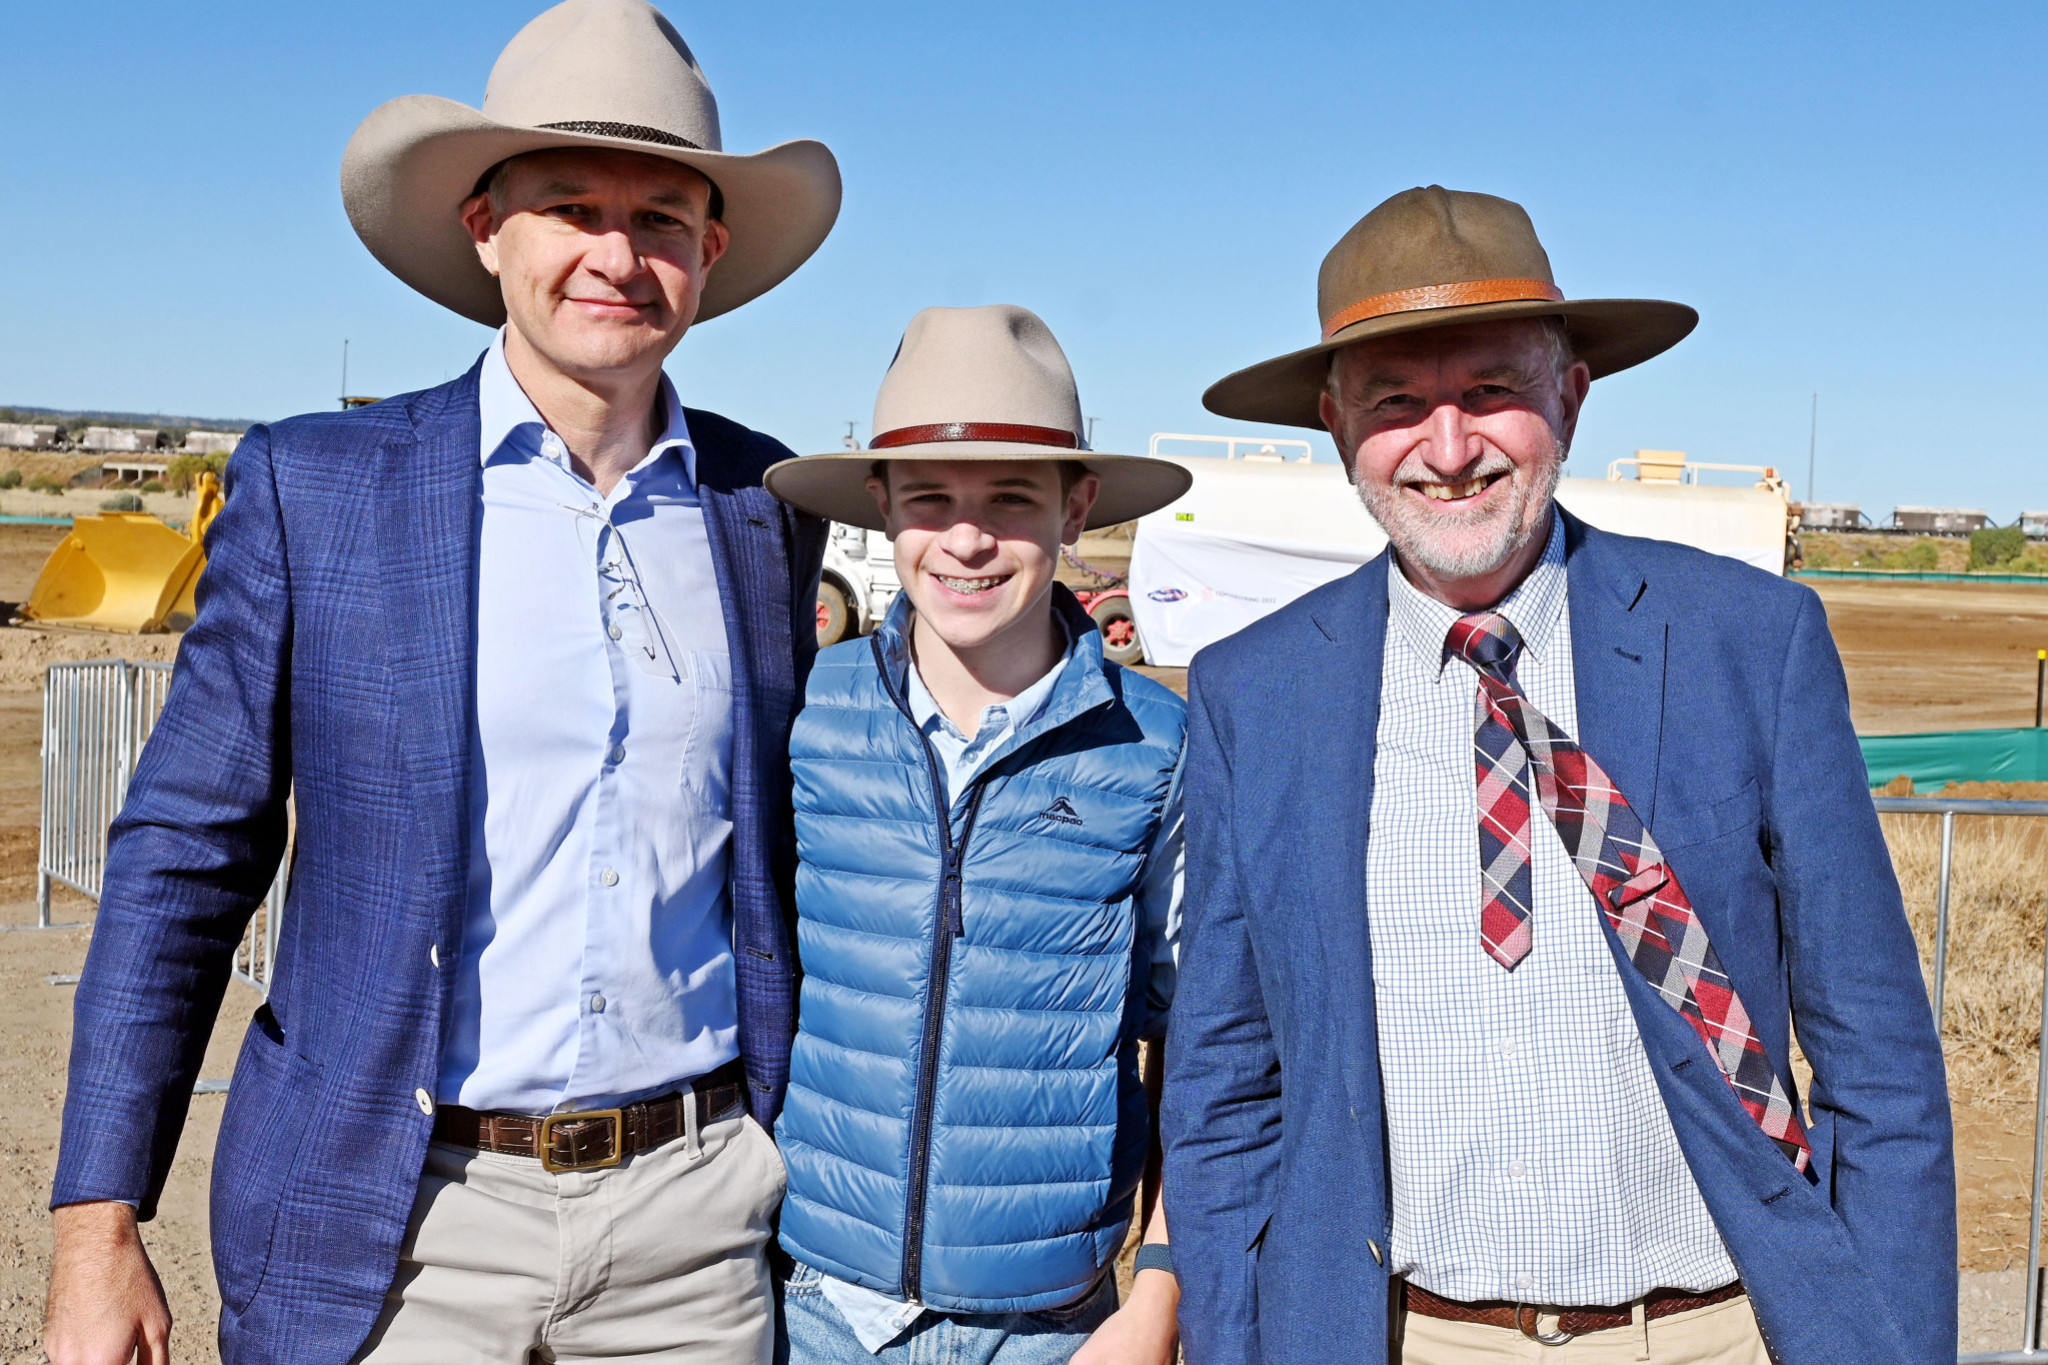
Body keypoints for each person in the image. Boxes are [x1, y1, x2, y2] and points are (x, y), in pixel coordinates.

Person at [43, 3, 839, 1361]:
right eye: (569, 206)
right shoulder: (319, 489)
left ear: (710, 251)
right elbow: (185, 855)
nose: (615, 254)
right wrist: (95, 1223)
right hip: (402, 1221)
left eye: (659, 217)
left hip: (694, 1235)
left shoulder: (760, 504)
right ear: (487, 229)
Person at [1162, 186, 1954, 1364]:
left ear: (1567, 399)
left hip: (1709, 1335)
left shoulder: (1747, 641)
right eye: (1394, 403)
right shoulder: (1255, 694)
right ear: (1335, 429)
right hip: (1402, 1339)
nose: (1446, 447)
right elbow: (1226, 1093)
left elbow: (1876, 1065)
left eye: (1489, 390)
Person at [761, 304, 1195, 1364]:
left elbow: (1203, 1042)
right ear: (879, 509)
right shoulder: (806, 714)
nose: (964, 539)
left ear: (1074, 508)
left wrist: (1157, 1302)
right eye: (929, 500)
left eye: (1009, 500)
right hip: (811, 1310)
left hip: (1050, 1329)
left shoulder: (1157, 747)